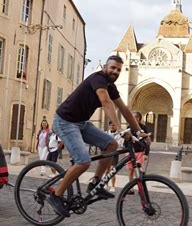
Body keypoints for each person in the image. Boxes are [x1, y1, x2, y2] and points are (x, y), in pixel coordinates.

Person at [50, 55, 148, 217]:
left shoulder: (111, 86)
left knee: (111, 145)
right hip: (65, 122)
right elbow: (105, 102)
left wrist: (139, 131)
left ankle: (95, 183)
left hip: (81, 123)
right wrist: (120, 129)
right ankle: (56, 195)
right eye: (113, 67)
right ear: (105, 67)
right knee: (83, 161)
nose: (115, 71)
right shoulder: (98, 79)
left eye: (118, 69)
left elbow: (124, 110)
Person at [125, 111, 151, 194]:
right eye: (133, 116)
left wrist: (146, 153)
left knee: (139, 170)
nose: (134, 118)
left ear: (139, 118)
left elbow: (146, 141)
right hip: (130, 151)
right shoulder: (129, 127)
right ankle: (131, 188)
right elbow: (126, 139)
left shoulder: (143, 127)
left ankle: (141, 188)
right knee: (131, 170)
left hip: (139, 151)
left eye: (136, 117)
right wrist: (126, 148)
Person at [104, 121, 124, 192]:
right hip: (107, 153)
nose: (112, 126)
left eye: (113, 125)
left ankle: (113, 186)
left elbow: (120, 144)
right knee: (107, 170)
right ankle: (106, 184)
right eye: (111, 125)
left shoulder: (119, 135)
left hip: (115, 154)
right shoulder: (106, 133)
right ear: (109, 126)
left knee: (112, 170)